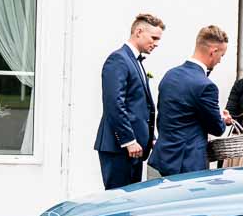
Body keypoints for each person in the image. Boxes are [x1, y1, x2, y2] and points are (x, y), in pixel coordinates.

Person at [149, 25, 231, 177]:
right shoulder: (206, 86)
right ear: (213, 51)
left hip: (165, 157)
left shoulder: (170, 75)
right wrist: (223, 119)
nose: (220, 61)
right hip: (188, 162)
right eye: (222, 55)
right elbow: (217, 129)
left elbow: (167, 116)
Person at [94, 13, 164, 189]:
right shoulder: (118, 59)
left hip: (135, 148)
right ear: (139, 31)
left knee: (130, 203)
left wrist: (150, 138)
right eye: (153, 38)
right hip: (119, 147)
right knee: (117, 203)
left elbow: (139, 107)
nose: (156, 44)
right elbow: (114, 103)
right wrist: (128, 140)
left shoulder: (135, 60)